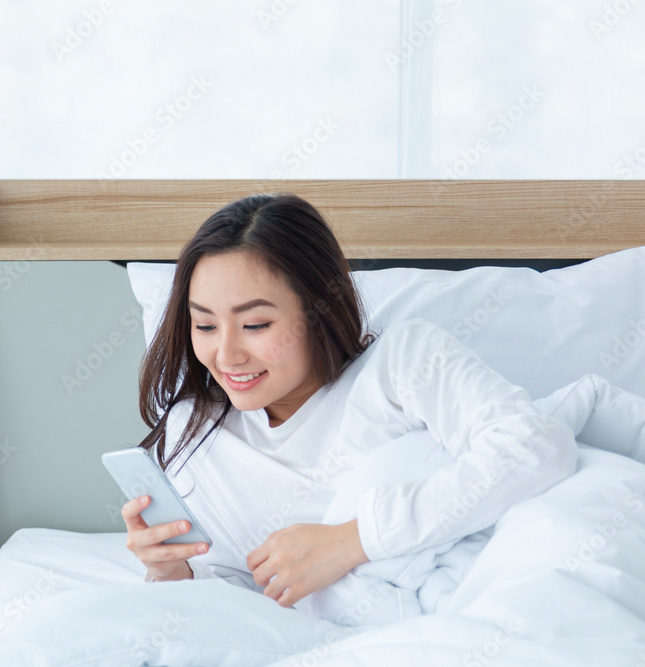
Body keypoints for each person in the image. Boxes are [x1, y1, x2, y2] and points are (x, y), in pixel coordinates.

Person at [119, 192, 580, 626]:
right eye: (204, 324)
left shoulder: (401, 365)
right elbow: (235, 599)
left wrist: (351, 542)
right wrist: (170, 572)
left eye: (255, 324)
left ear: (319, 309)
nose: (226, 354)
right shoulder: (198, 433)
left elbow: (537, 447)